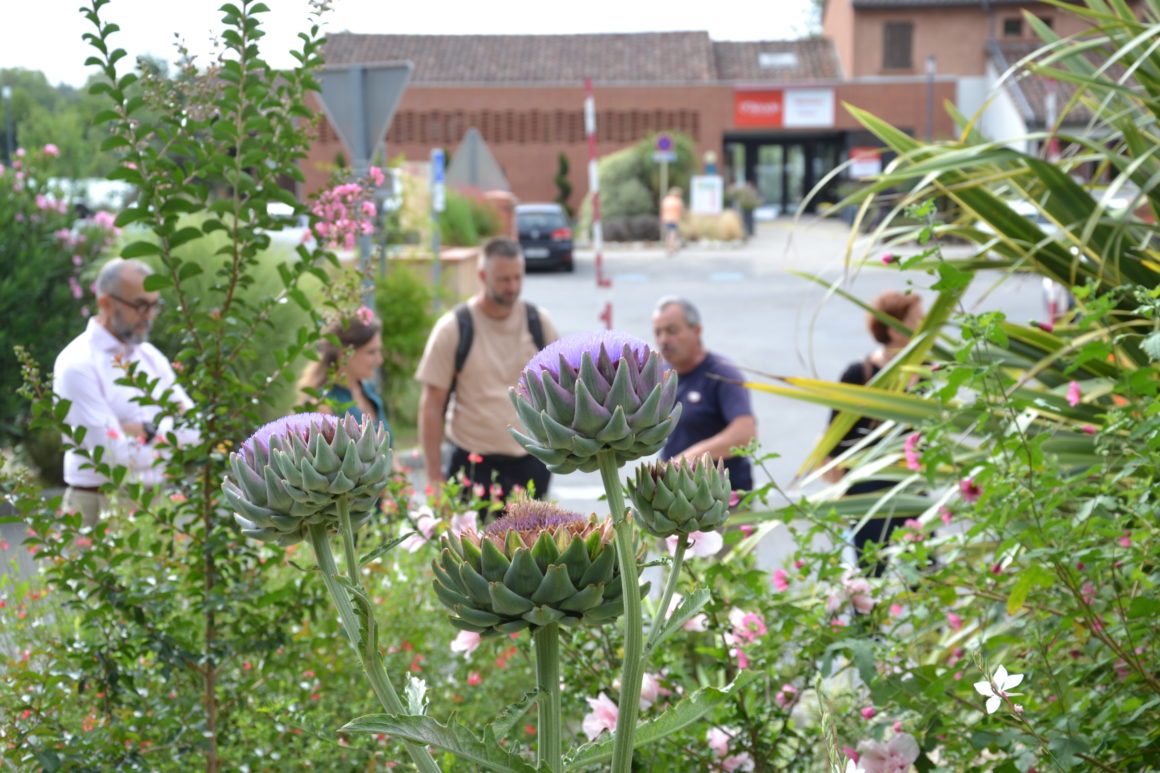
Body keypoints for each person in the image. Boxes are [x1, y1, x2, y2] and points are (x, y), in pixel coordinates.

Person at [53, 257, 198, 527]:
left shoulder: (150, 357)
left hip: (157, 504)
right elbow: (111, 457)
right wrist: (169, 434)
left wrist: (144, 429)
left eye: (155, 305)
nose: (150, 316)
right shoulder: (77, 364)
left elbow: (197, 430)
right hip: (98, 507)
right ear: (106, 303)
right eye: (141, 305)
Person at [415, 236, 559, 507]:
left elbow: (560, 389)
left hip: (532, 462)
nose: (512, 287)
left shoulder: (538, 322)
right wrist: (434, 476)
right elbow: (431, 405)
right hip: (473, 464)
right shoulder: (455, 328)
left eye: (518, 277)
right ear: (482, 276)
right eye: (504, 279)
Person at [823, 290, 925, 575]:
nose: (925, 325)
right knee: (870, 570)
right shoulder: (860, 373)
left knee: (924, 569)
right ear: (893, 329)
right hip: (867, 487)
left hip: (912, 483)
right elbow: (834, 437)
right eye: (918, 319)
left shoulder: (927, 369)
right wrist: (841, 489)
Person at [653, 296, 756, 492]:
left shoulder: (723, 374)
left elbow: (746, 433)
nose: (663, 340)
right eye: (658, 332)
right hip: (676, 497)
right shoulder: (660, 376)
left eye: (672, 331)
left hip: (723, 499)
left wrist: (690, 458)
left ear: (696, 330)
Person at [297, 307, 389, 434]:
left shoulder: (369, 392)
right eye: (371, 352)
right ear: (344, 352)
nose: (380, 360)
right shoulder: (322, 406)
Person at [660, 186, 684, 255]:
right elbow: (681, 210)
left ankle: (669, 247)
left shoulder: (666, 200)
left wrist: (662, 218)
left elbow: (662, 210)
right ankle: (671, 248)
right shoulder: (678, 200)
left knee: (669, 233)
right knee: (673, 233)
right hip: (674, 219)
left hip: (666, 218)